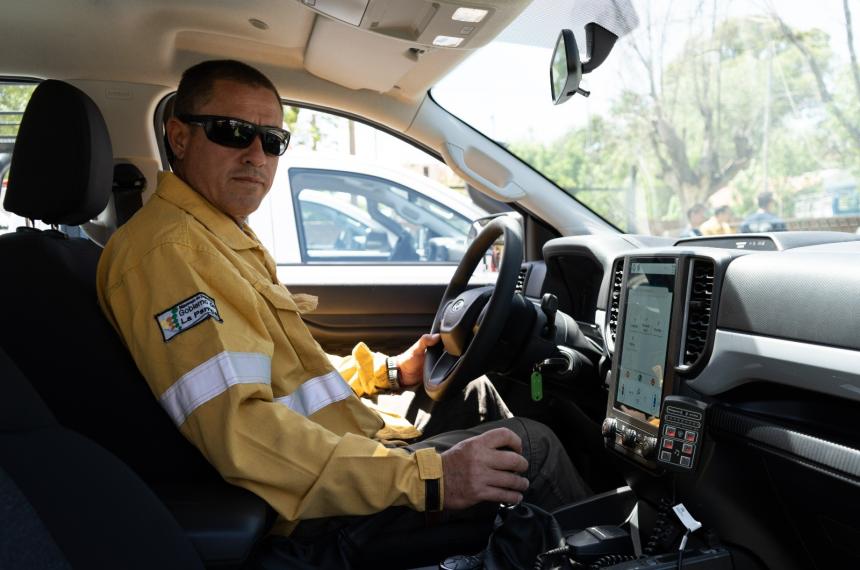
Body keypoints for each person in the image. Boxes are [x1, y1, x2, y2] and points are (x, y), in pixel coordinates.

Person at [96, 60, 589, 567]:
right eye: (233, 132)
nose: (255, 155)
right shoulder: (169, 254)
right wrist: (430, 477)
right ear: (179, 137)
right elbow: (242, 429)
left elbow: (282, 377)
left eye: (271, 140)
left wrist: (391, 373)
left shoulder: (215, 234)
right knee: (536, 447)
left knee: (479, 391)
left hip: (330, 463)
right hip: (307, 512)